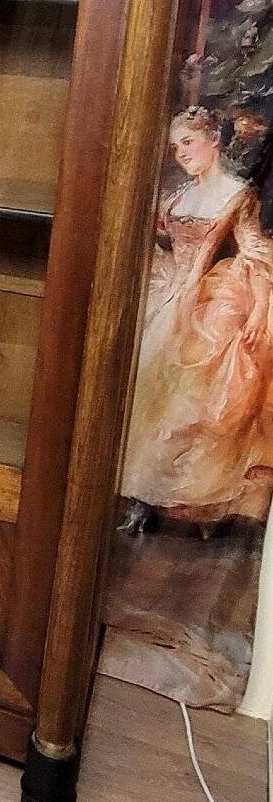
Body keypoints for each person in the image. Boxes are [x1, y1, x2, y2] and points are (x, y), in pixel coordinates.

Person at [118, 105, 273, 534]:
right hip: (168, 290)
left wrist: (260, 308)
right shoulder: (176, 198)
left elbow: (254, 252)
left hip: (209, 297)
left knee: (194, 400)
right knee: (146, 386)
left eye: (187, 142)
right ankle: (140, 495)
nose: (180, 154)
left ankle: (194, 503)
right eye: (175, 147)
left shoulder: (237, 193)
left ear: (214, 141)